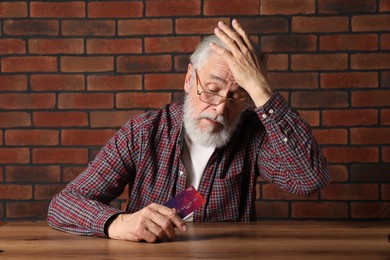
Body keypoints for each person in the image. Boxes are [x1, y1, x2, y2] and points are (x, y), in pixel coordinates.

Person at [48, 19, 331, 243]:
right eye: (211, 90)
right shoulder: (144, 132)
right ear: (188, 78)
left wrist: (260, 89)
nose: (220, 109)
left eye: (237, 96)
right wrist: (118, 223)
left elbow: (309, 180)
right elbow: (64, 204)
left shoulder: (253, 134)